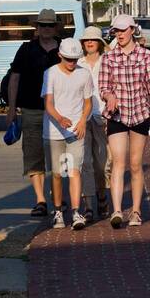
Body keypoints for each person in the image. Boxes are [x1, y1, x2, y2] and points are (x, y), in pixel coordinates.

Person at [98, 14, 150, 228]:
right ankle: (116, 210)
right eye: (116, 31)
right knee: (118, 162)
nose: (119, 34)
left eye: (122, 30)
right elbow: (103, 87)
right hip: (117, 115)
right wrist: (109, 97)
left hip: (139, 114)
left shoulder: (145, 56)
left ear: (132, 30)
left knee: (135, 164)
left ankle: (136, 212)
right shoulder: (108, 57)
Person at [5, 8, 61, 218]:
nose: (46, 29)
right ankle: (40, 200)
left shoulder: (64, 49)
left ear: (55, 27)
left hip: (59, 112)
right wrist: (11, 109)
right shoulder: (26, 49)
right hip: (31, 110)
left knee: (58, 156)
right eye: (42, 25)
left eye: (49, 25)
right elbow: (15, 78)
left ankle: (58, 197)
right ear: (36, 28)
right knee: (34, 156)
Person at [44, 38, 93, 230]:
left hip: (76, 130)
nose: (71, 63)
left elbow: (88, 102)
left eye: (74, 59)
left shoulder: (84, 74)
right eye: (68, 59)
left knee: (74, 171)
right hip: (54, 131)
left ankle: (75, 211)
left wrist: (82, 121)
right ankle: (57, 211)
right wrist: (59, 118)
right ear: (60, 56)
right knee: (57, 173)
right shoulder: (50, 74)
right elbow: (48, 103)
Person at [77, 26, 110, 221]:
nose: (89, 42)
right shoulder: (77, 63)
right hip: (81, 117)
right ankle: (88, 205)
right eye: (86, 40)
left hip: (103, 117)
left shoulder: (108, 61)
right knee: (84, 162)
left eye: (93, 40)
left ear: (100, 43)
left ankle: (101, 195)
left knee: (103, 164)